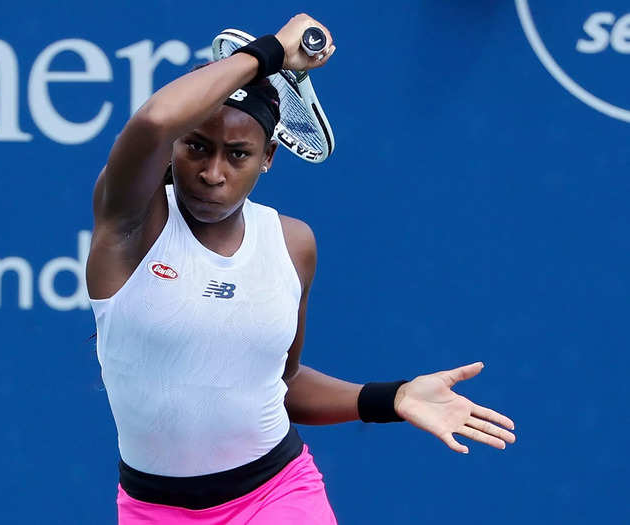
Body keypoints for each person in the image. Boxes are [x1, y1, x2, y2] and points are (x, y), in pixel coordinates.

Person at [86, 13, 516, 524]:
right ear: (175, 146)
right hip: (153, 511)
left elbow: (280, 382)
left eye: (238, 154)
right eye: (197, 146)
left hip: (278, 494)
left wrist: (389, 397)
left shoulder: (292, 244)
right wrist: (269, 53)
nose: (212, 172)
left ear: (268, 156)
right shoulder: (132, 223)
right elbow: (154, 121)